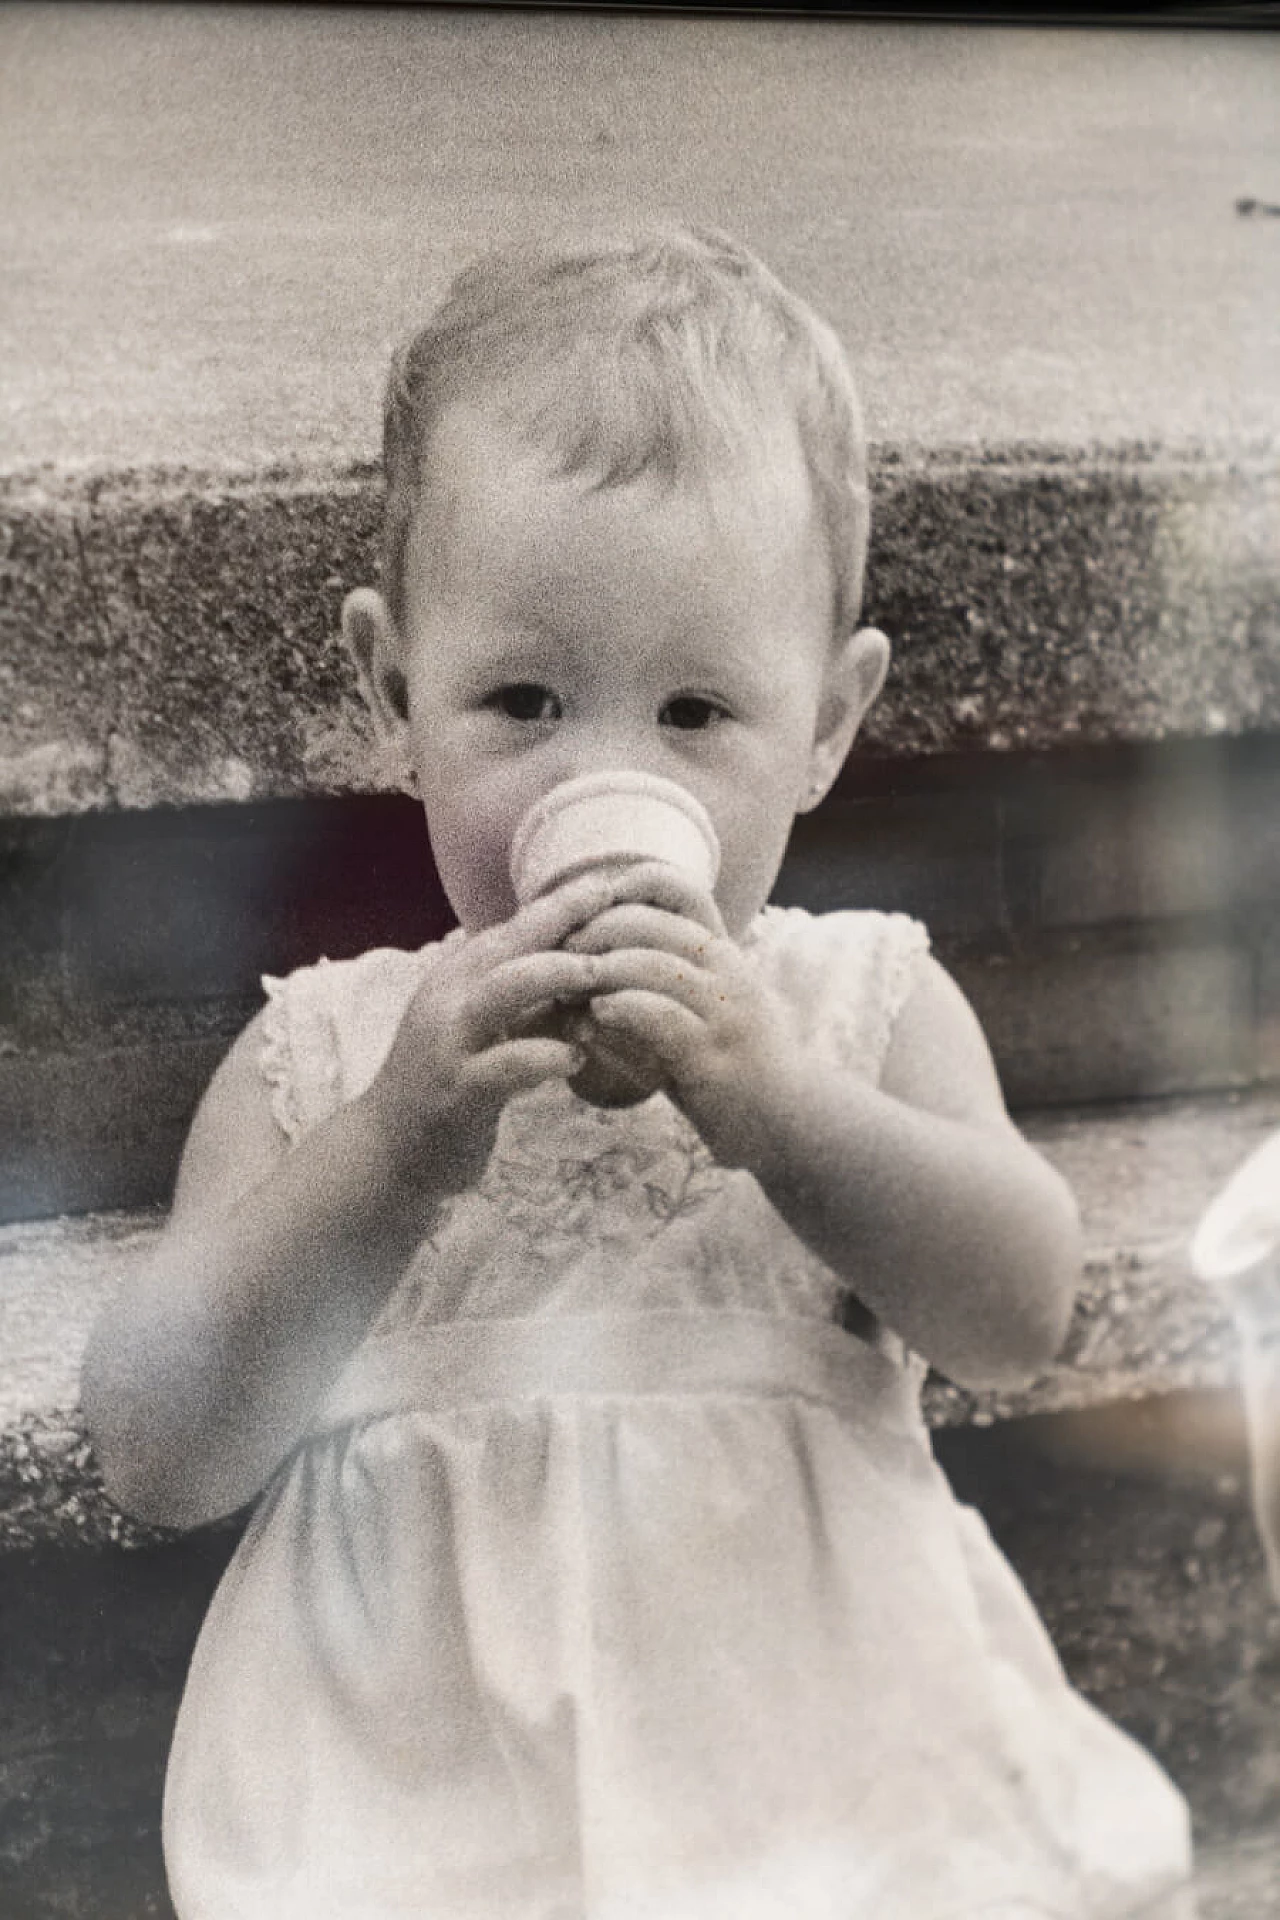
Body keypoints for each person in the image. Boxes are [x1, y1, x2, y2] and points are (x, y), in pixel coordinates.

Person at [82, 226, 1196, 1919]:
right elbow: (155, 1452)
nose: (600, 774)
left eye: (695, 715)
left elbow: (1019, 1311)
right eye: (519, 700)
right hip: (428, 1811)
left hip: (824, 1790)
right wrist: (395, 1146)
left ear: (826, 724)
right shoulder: (324, 1056)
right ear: (396, 689)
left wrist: (783, 1108)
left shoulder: (854, 1007)